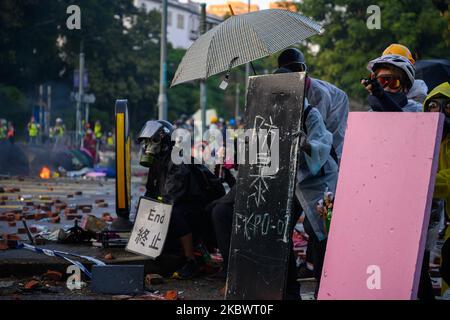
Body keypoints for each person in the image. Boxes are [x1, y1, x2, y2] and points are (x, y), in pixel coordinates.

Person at [138, 120, 224, 280]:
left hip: (198, 208)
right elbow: (151, 192)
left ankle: (191, 259)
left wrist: (156, 207)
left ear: (164, 139)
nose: (149, 146)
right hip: (181, 205)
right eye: (147, 142)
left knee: (173, 212)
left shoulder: (177, 160)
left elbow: (172, 198)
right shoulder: (158, 161)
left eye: (153, 140)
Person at [277, 48, 349, 163]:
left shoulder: (319, 93)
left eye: (297, 70)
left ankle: (337, 170)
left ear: (305, 70)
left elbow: (319, 129)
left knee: (332, 142)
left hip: (338, 103)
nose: (294, 75)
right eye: (289, 71)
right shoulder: (285, 90)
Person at [423, 82, 450, 300]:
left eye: (446, 106)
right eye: (433, 106)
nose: (439, 111)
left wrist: (422, 181)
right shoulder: (434, 140)